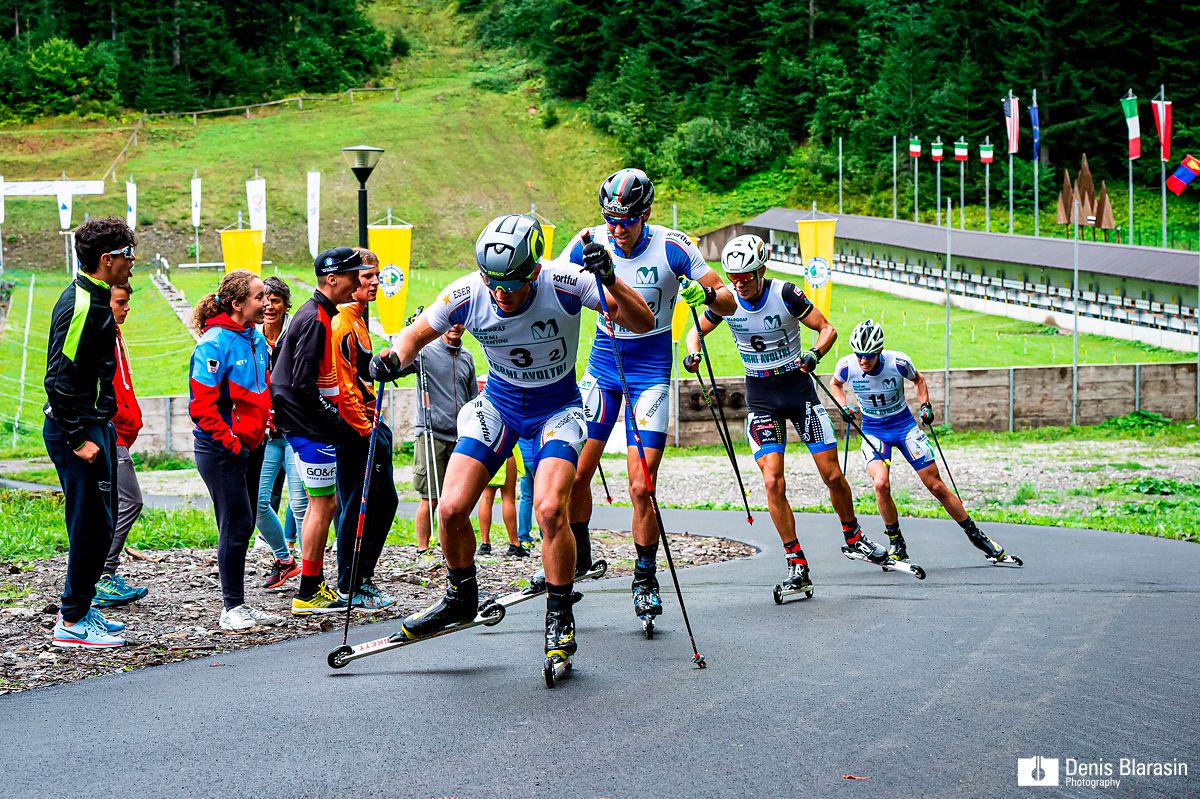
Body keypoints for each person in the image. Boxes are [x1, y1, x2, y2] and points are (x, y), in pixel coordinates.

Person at [391, 213, 653, 665]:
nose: (500, 293)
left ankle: (559, 611)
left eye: (510, 284)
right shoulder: (468, 292)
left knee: (551, 509)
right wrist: (388, 359)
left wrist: (611, 280)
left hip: (558, 408)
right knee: (451, 508)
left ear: (533, 271)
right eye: (493, 282)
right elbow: (413, 336)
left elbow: (642, 321)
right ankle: (460, 594)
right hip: (498, 404)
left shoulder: (567, 281)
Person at [564, 167, 734, 623]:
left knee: (642, 486)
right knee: (575, 475)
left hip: (650, 368)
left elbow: (726, 300)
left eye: (626, 220)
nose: (616, 229)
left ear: (646, 214)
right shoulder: (589, 241)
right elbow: (550, 286)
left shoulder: (673, 245)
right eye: (609, 218)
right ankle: (579, 559)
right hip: (603, 363)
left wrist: (705, 296)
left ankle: (644, 578)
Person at [684, 234, 889, 594]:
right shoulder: (726, 301)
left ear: (762, 269)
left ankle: (853, 535)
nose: (740, 283)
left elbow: (828, 329)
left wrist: (814, 355)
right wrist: (693, 353)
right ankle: (796, 562)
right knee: (772, 481)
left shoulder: (786, 293)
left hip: (798, 391)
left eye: (747, 275)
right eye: (733, 276)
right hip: (761, 397)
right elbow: (694, 333)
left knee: (832, 475)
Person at [830, 319, 1015, 563]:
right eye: (859, 355)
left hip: (904, 426)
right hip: (874, 430)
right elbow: (835, 384)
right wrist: (844, 406)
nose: (863, 361)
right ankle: (897, 543)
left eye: (869, 356)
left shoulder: (898, 362)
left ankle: (977, 536)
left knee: (936, 485)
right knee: (880, 484)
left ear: (880, 351)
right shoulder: (847, 366)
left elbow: (919, 380)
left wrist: (925, 406)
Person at [44, 218, 136, 648]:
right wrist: (78, 438)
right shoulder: (83, 304)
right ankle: (72, 620)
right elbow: (58, 380)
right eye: (128, 256)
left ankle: (82, 606)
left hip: (96, 424)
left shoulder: (97, 297)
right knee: (89, 525)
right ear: (107, 260)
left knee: (101, 523)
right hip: (77, 430)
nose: (132, 265)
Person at [270, 246, 368, 615]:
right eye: (352, 276)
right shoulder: (315, 318)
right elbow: (300, 383)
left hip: (306, 425)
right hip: (309, 427)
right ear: (332, 279)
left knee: (321, 503)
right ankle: (309, 590)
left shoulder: (319, 313)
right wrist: (335, 425)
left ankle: (312, 585)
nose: (357, 282)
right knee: (322, 504)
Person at [189, 270, 282, 631]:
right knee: (237, 522)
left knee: (243, 522)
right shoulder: (214, 343)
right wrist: (232, 443)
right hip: (221, 449)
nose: (266, 303)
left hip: (251, 445)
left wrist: (266, 422)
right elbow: (202, 406)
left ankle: (239, 603)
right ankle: (231, 609)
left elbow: (260, 391)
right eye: (259, 297)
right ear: (237, 303)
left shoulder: (254, 337)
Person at [331, 248, 398, 610]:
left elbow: (359, 372)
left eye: (376, 275)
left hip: (372, 420)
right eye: (367, 276)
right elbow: (342, 386)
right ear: (351, 279)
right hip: (357, 429)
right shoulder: (342, 323)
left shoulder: (357, 320)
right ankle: (349, 584)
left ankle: (362, 578)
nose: (375, 282)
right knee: (359, 503)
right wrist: (364, 428)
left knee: (383, 502)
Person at [92, 280, 150, 608]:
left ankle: (103, 574)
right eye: (121, 302)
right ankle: (102, 574)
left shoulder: (115, 334)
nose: (127, 308)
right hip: (109, 433)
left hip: (120, 432)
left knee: (115, 505)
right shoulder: (101, 336)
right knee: (131, 501)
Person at [255, 275, 307, 584]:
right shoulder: (253, 337)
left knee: (301, 503)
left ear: (285, 304)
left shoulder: (297, 334)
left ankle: (312, 570)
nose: (269, 305)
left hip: (296, 430)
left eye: (275, 300)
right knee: (258, 502)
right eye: (264, 299)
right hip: (267, 432)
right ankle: (285, 559)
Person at [411, 323, 477, 568]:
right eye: (451, 323)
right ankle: (422, 550)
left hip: (459, 436)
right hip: (431, 433)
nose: (456, 327)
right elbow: (401, 364)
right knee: (431, 497)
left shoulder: (467, 358)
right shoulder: (425, 353)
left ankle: (449, 546)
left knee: (456, 498)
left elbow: (472, 399)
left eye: (461, 323)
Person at [476, 449, 528, 557]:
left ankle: (485, 543)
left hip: (486, 453)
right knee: (508, 498)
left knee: (486, 497)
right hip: (505, 451)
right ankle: (514, 544)